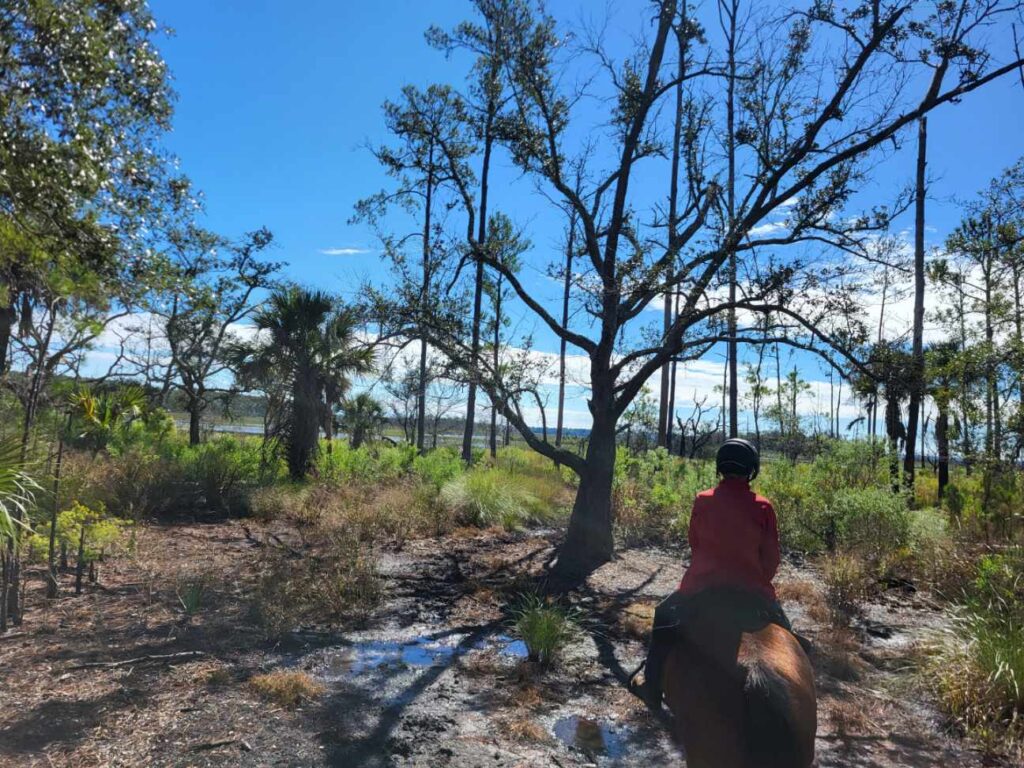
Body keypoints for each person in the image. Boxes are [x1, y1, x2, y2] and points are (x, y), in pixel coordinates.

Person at [630, 438, 804, 709]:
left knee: (663, 617)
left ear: (719, 468)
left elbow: (695, 543)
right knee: (788, 634)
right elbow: (771, 559)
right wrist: (756, 580)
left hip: (702, 587)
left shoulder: (703, 501)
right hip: (751, 590)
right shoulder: (763, 507)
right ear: (752, 469)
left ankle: (651, 686)